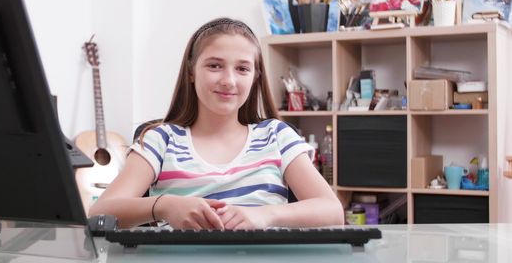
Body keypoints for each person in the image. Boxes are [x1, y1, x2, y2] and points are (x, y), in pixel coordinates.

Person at [89, 17, 344, 229]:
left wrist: (265, 215)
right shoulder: (160, 139)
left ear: (256, 77)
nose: (229, 80)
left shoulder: (276, 136)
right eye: (214, 66)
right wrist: (164, 206)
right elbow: (100, 212)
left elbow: (332, 211)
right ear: (191, 71)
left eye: (242, 69)